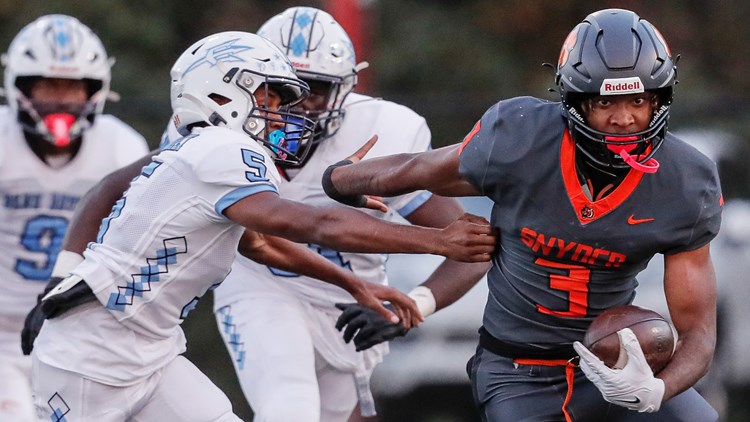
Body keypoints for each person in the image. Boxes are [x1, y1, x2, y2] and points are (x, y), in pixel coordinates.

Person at [28, 31, 495, 421]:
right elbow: (319, 223)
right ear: (218, 92)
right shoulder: (222, 151)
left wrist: (353, 284)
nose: (280, 113)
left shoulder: (202, 152)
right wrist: (437, 240)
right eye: (267, 96)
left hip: (152, 354)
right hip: (88, 358)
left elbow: (263, 246)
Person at [328, 8, 722, 421]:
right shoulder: (519, 139)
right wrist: (340, 180)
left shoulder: (685, 180)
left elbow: (699, 331)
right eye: (606, 101)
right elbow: (419, 169)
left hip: (618, 366)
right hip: (519, 373)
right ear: (575, 101)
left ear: (660, 98)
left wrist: (657, 388)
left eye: (639, 100)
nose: (624, 119)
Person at [179, 7, 489, 422]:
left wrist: (415, 304)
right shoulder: (221, 129)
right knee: (289, 406)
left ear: (343, 91)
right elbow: (125, 182)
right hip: (262, 287)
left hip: (350, 306)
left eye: (313, 89)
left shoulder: (383, 130)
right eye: (280, 89)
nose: (296, 105)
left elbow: (473, 244)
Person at [0, 14, 149, 422]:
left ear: (95, 90)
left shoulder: (119, 146)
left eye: (71, 86)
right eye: (48, 85)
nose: (61, 99)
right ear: (21, 86)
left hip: (77, 326)